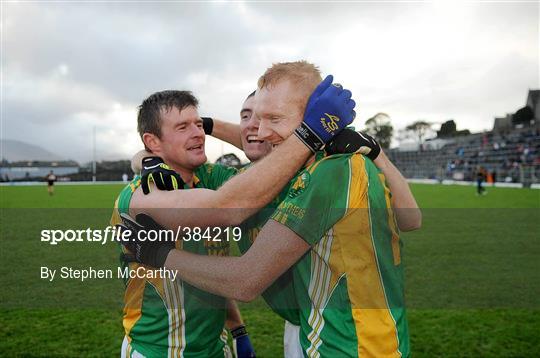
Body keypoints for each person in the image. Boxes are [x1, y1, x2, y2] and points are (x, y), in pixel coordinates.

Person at [120, 61, 420, 357]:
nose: (258, 130)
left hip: (352, 345)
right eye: (248, 117)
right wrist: (147, 157)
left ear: (311, 119)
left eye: (272, 118)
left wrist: (160, 255)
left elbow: (244, 274)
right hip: (312, 333)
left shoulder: (329, 171)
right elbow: (256, 150)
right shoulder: (245, 180)